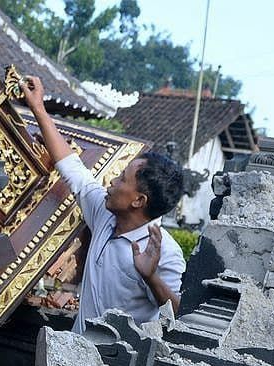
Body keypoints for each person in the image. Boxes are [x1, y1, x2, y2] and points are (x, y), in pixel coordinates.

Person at [22, 76, 186, 333]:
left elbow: (176, 314)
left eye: (122, 179)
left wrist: (150, 277)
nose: (111, 181)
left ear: (138, 200)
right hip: (72, 353)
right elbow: (74, 170)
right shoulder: (104, 214)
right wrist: (39, 109)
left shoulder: (165, 252)